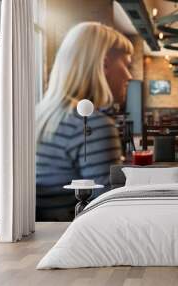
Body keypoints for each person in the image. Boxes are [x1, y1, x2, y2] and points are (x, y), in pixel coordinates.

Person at [35, 22, 133, 221]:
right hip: (73, 239)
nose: (129, 76)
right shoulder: (92, 125)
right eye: (126, 65)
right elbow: (110, 212)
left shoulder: (41, 116)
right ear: (104, 65)